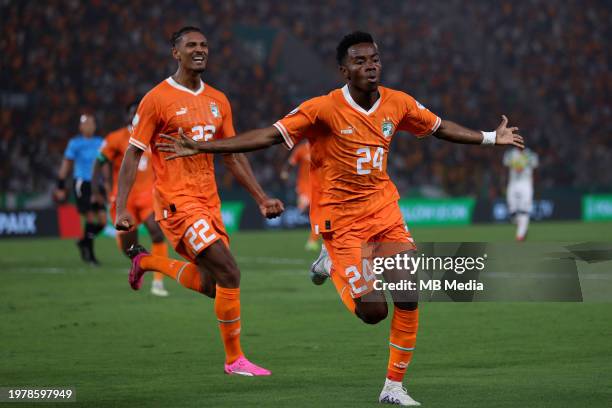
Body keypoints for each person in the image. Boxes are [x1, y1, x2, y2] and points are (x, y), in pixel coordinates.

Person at [158, 31, 524, 406]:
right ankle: (330, 262)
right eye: (360, 61)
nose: (371, 66)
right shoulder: (322, 109)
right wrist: (202, 145)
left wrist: (490, 138)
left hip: (384, 210)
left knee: (409, 292)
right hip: (342, 222)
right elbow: (269, 136)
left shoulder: (397, 103)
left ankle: (393, 387)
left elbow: (439, 127)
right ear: (344, 70)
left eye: (374, 59)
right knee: (373, 312)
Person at [114, 26, 284, 376]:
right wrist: (121, 208)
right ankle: (235, 359)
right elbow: (133, 154)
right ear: (175, 53)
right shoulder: (157, 99)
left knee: (213, 285)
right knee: (230, 271)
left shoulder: (218, 100)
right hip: (177, 204)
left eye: (204, 44)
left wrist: (261, 197)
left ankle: (146, 263)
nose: (199, 49)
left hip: (209, 202)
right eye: (191, 45)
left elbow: (233, 155)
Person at [91, 102, 169, 296]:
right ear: (128, 116)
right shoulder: (115, 138)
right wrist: (96, 190)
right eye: (134, 113)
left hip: (148, 195)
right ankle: (139, 264)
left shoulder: (154, 135)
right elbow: (99, 162)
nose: (137, 116)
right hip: (124, 197)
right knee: (129, 245)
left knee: (156, 232)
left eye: (140, 113)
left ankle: (158, 283)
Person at [54, 113, 106, 265]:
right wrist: (61, 185)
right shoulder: (75, 143)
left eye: (92, 123)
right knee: (90, 217)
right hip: (82, 183)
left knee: (102, 221)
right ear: (81, 127)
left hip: (97, 184)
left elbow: (105, 164)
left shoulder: (101, 142)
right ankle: (90, 256)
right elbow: (66, 164)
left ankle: (83, 241)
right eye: (86, 123)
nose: (89, 126)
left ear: (95, 126)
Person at [280, 140, 320, 251]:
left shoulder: (321, 147)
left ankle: (313, 241)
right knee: (304, 208)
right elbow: (290, 163)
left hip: (318, 187)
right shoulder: (301, 149)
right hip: (303, 187)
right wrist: (285, 172)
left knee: (317, 214)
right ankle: (314, 238)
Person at [503, 147, 538, 241]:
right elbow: (505, 164)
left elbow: (535, 167)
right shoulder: (510, 153)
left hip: (526, 184)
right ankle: (523, 227)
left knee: (524, 210)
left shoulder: (531, 155)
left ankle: (520, 236)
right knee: (512, 212)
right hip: (513, 183)